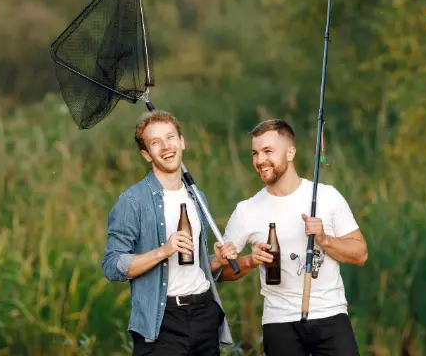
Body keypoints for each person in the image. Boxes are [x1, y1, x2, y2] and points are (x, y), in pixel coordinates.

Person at [219, 119, 368, 356]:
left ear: (290, 153)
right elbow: (222, 271)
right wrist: (250, 261)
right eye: (255, 153)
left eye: (268, 151)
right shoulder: (247, 210)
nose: (259, 160)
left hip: (330, 315)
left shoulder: (327, 197)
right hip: (279, 322)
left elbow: (360, 254)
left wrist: (325, 239)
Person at [101, 110, 237, 356]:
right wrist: (164, 251)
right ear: (146, 154)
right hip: (162, 322)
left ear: (182, 141)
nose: (166, 147)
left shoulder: (198, 198)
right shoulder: (132, 201)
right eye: (155, 142)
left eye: (170, 137)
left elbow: (194, 268)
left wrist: (217, 261)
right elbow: (111, 265)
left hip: (204, 313)